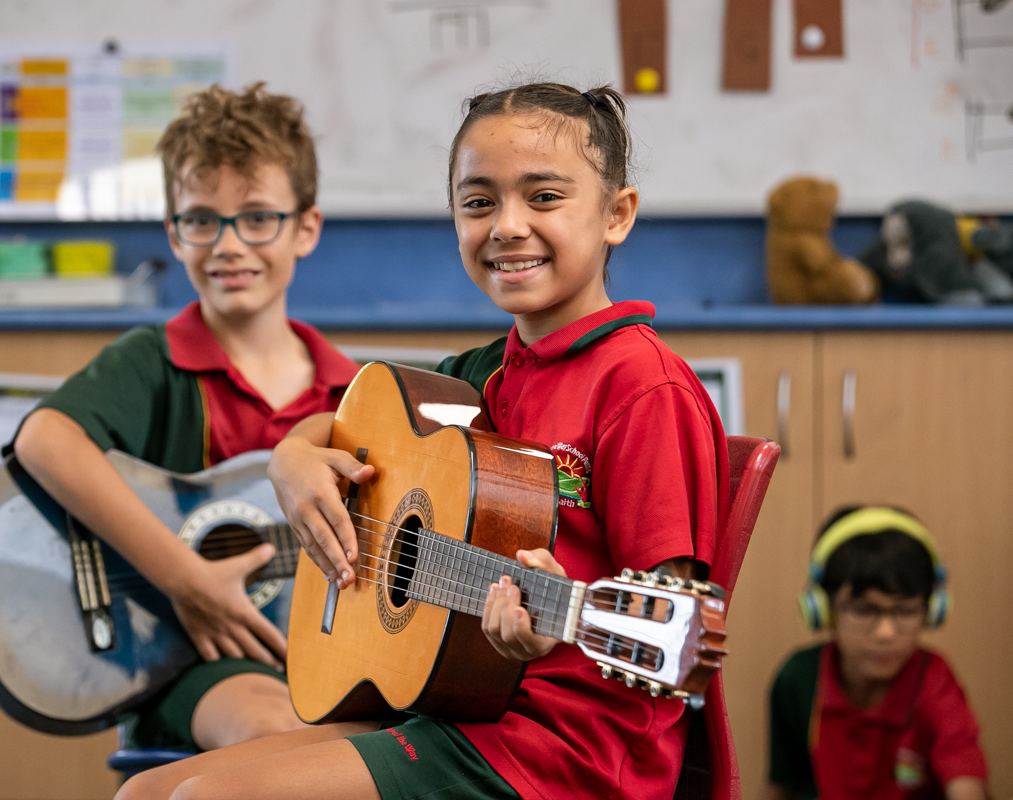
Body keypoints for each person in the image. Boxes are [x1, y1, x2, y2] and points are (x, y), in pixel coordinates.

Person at [117, 81, 730, 800]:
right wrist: (294, 458)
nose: (505, 225)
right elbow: (358, 419)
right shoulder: (488, 373)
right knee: (144, 794)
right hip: (466, 711)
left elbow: (676, 628)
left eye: (543, 197)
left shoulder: (642, 387)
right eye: (477, 203)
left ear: (616, 214)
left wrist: (558, 627)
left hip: (568, 753)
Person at [10, 82, 360, 753]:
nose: (228, 244)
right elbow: (44, 439)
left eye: (258, 217)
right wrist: (185, 577)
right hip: (185, 664)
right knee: (281, 737)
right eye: (202, 220)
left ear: (305, 229)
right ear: (174, 233)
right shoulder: (155, 360)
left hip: (324, 661)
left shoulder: (355, 395)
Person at [764, 506, 990, 800]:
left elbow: (966, 781)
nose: (885, 633)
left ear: (930, 611)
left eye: (906, 611)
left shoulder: (934, 679)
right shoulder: (798, 677)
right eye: (862, 609)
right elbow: (781, 787)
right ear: (824, 610)